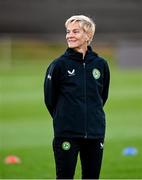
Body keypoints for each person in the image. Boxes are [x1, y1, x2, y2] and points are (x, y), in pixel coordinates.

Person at [44, 15, 110, 179]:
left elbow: (102, 96)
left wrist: (91, 116)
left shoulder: (101, 64)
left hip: (95, 133)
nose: (69, 35)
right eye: (68, 31)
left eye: (76, 31)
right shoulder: (58, 65)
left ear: (88, 35)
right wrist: (66, 117)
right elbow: (49, 99)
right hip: (67, 133)